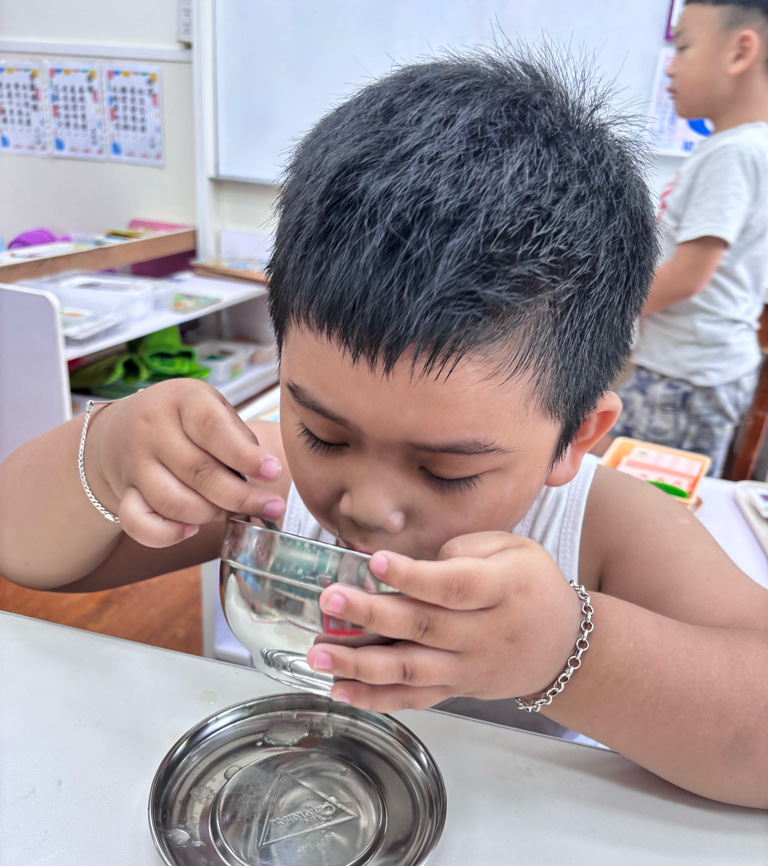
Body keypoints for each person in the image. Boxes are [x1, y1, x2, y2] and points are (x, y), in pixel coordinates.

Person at [1, 48, 767, 809]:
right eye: (324, 434)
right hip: (289, 804)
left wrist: (567, 650)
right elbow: (23, 551)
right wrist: (106, 454)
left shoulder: (603, 529)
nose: (366, 506)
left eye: (446, 470)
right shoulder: (264, 483)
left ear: (575, 437)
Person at [610, 0, 768, 476]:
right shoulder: (741, 148)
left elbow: (687, 276)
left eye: (683, 47)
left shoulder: (733, 155)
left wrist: (599, 306)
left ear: (740, 52)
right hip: (694, 367)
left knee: (647, 492)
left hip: (686, 374)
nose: (670, 66)